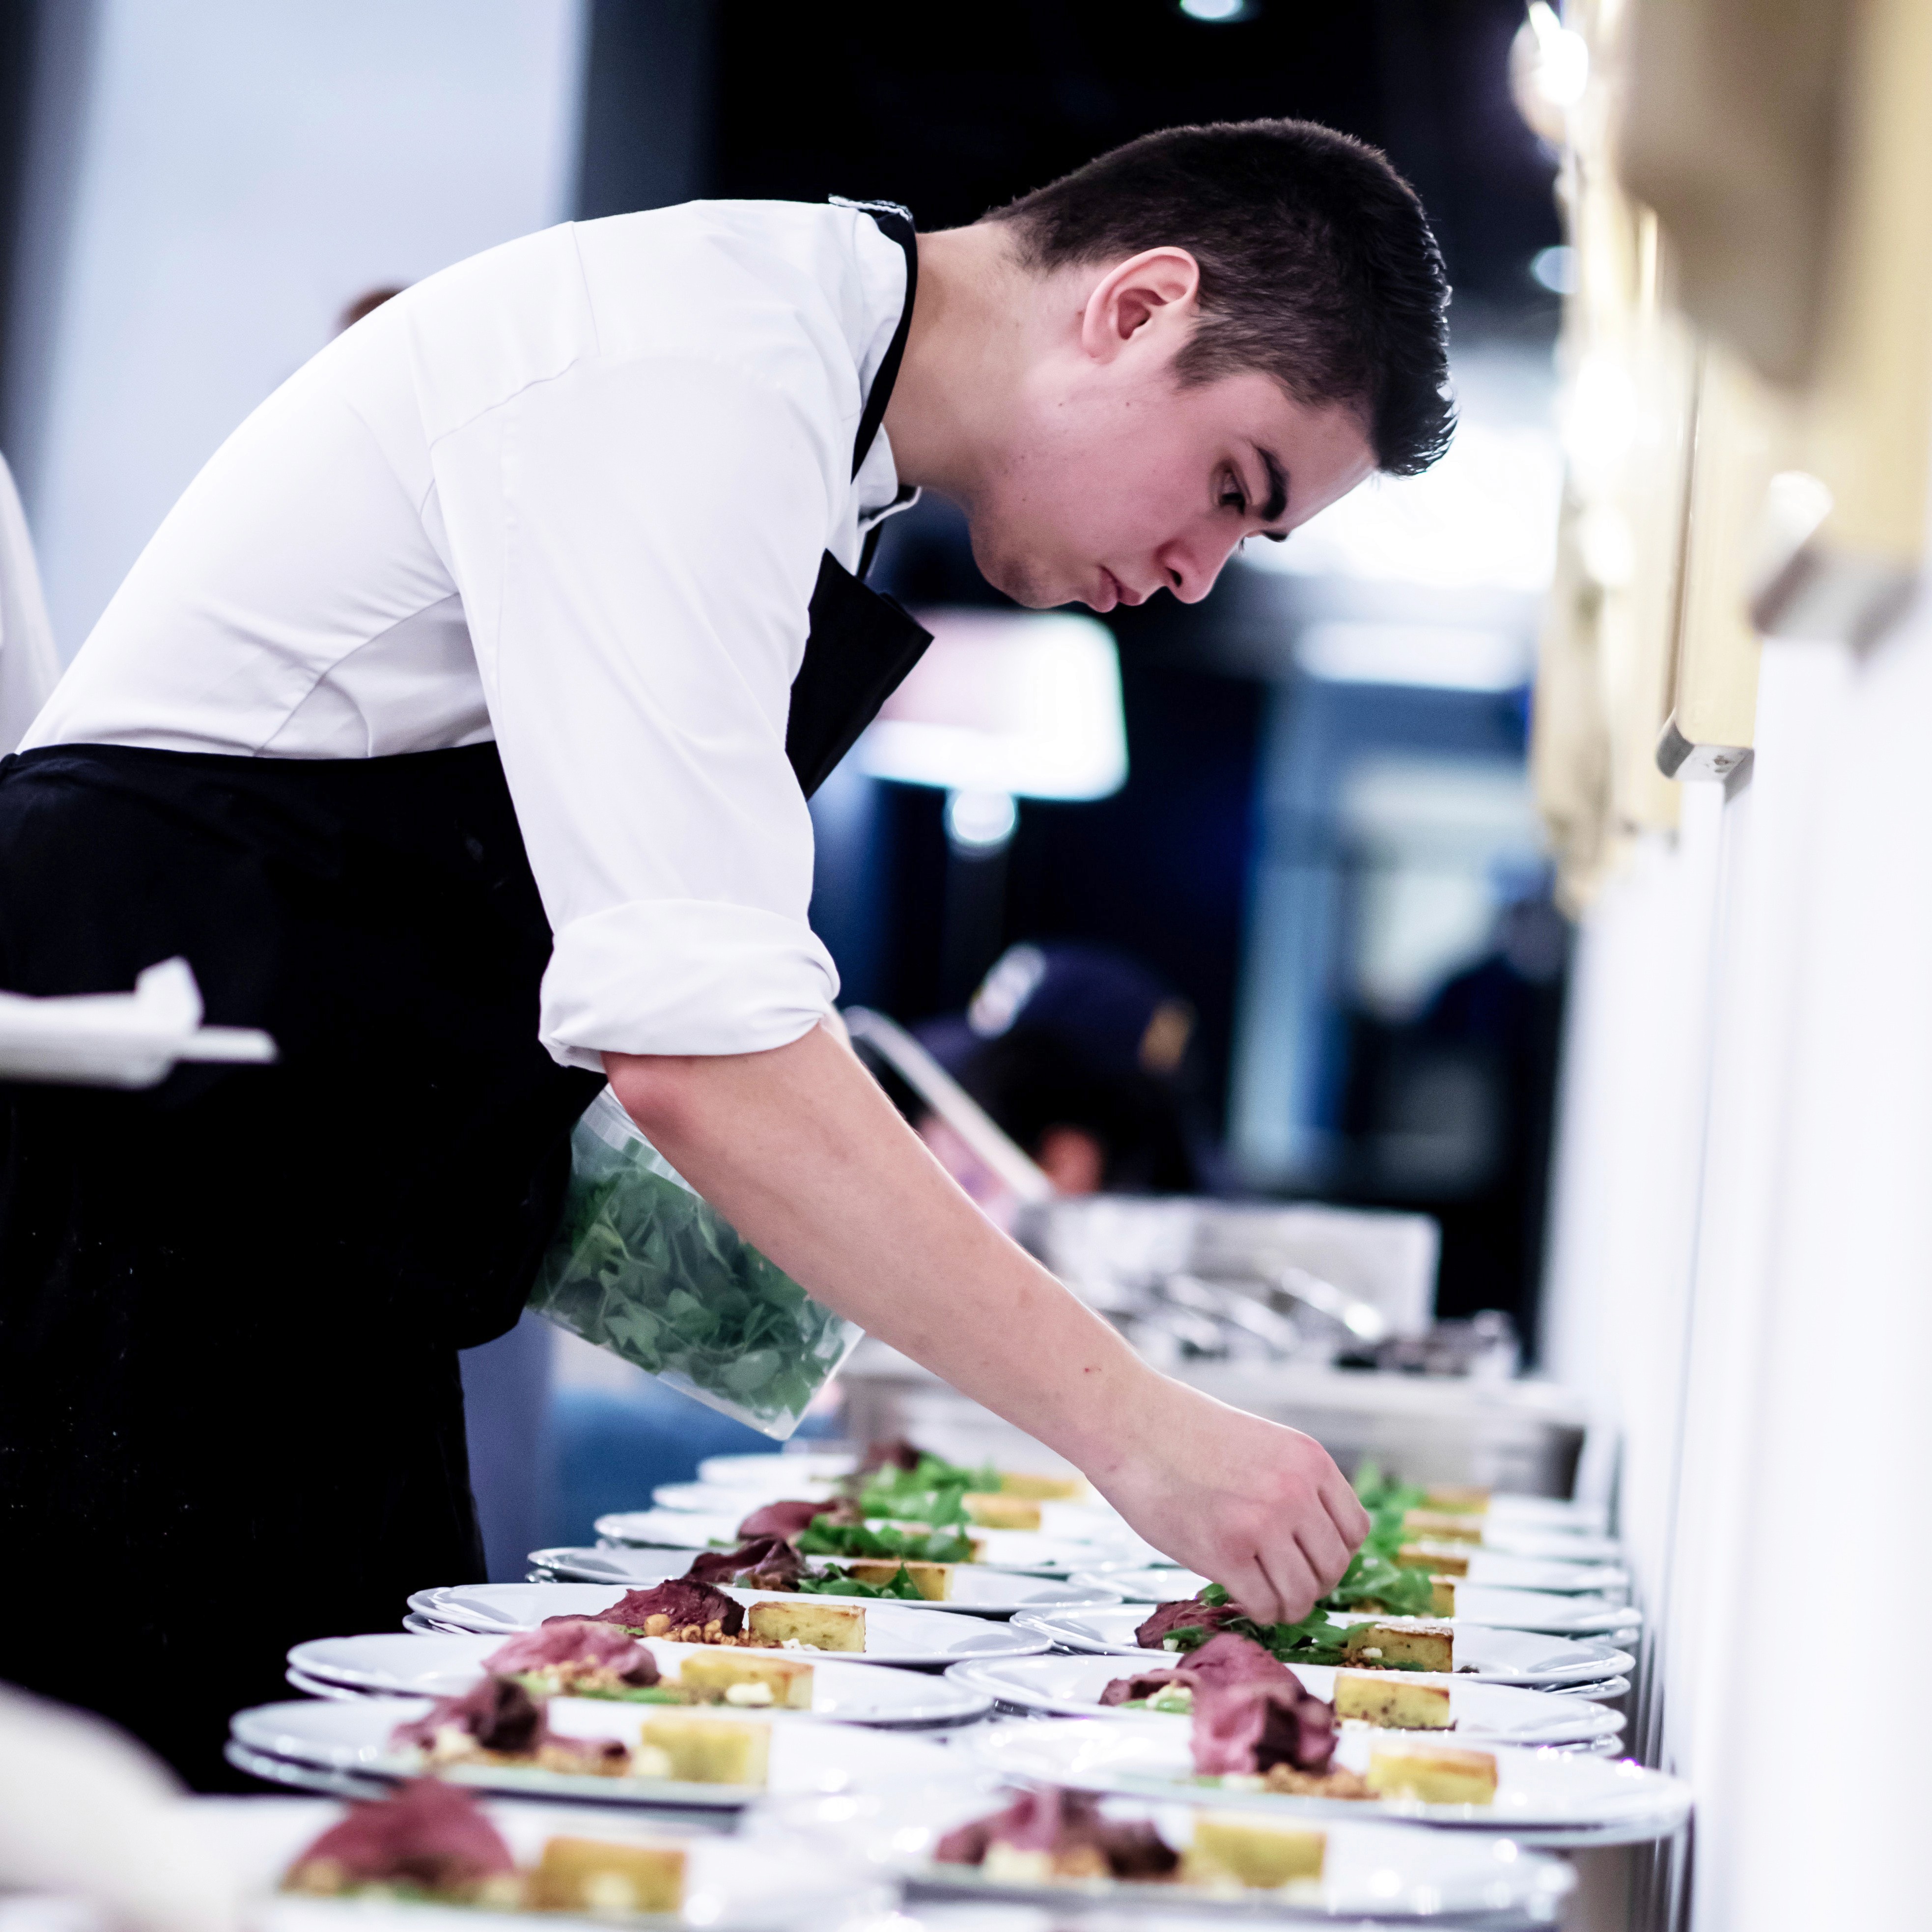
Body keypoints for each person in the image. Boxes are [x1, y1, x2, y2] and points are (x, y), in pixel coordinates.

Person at [0, 120, 1451, 1784]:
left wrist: (841, 1326)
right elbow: (698, 1054)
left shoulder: (813, 419)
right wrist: (1134, 1426)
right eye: (1231, 488)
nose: (1197, 576)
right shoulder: (694, 378)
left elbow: (571, 1004)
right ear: (1139, 308)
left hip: (297, 1260)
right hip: (131, 1243)